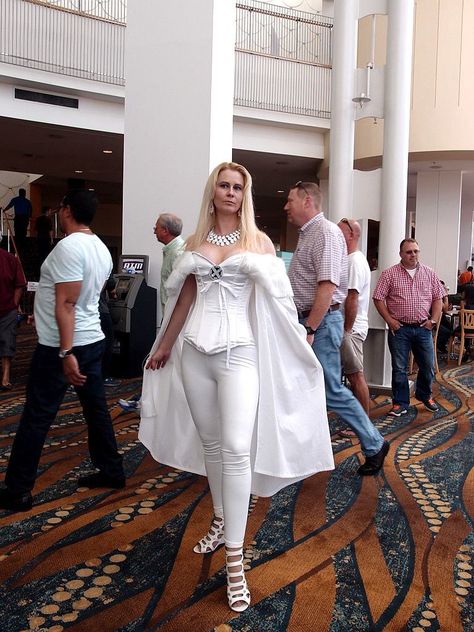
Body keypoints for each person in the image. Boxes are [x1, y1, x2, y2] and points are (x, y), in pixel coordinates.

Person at [139, 162, 334, 613]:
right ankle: (222, 519)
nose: (231, 192)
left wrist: (301, 341)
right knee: (212, 444)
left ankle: (234, 560)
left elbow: (278, 306)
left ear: (245, 195)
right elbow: (185, 299)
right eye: (224, 186)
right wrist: (165, 345)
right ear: (213, 193)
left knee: (235, 446)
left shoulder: (260, 243)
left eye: (238, 187)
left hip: (240, 355)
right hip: (194, 354)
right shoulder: (193, 244)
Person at [0, 190, 125, 513]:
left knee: (37, 416)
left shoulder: (70, 247)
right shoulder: (100, 248)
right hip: (90, 338)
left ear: (67, 210)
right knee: (95, 409)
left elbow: (67, 304)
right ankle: (111, 470)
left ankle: (18, 491)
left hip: (64, 344)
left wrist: (65, 353)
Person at [285, 181, 388, 475]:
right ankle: (306, 448)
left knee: (330, 389)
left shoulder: (327, 233)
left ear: (307, 201)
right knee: (311, 388)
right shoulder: (309, 235)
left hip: (320, 322)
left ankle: (374, 443)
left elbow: (328, 287)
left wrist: (309, 328)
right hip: (312, 322)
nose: (286, 206)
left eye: (289, 200)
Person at [118, 212, 185, 411]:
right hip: (168, 319)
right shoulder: (171, 251)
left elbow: (181, 294)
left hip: (174, 322)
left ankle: (146, 403)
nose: (154, 230)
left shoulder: (179, 253)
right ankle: (146, 401)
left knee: (158, 362)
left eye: (156, 227)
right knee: (160, 364)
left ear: (165, 230)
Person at [373, 238, 444, 416]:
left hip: (423, 328)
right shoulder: (389, 274)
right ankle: (400, 403)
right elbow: (378, 298)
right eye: (409, 252)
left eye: (416, 251)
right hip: (400, 329)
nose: (413, 255)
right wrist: (389, 320)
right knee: (399, 368)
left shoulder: (429, 273)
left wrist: (433, 321)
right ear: (401, 254)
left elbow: (438, 298)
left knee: (428, 366)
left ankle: (424, 394)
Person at [337, 218, 371, 415]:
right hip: (348, 327)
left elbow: (352, 297)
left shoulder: (354, 261)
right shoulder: (350, 260)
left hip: (351, 328)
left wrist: (346, 331)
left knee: (355, 375)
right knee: (352, 375)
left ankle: (364, 424)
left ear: (351, 235)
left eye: (339, 232)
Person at [0, 247, 27, 389]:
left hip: (7, 310)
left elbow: (19, 284)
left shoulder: (10, 258)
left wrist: (14, 304)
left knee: (7, 341)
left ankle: (6, 376)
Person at [99, 270, 121, 387]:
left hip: (79, 310)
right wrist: (116, 295)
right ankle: (104, 376)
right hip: (100, 309)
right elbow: (112, 290)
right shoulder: (104, 260)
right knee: (107, 341)